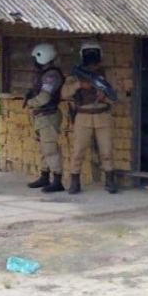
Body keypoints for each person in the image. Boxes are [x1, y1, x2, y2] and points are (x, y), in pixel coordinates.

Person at [62, 41, 117, 195]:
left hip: (102, 115)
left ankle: (110, 180)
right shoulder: (75, 75)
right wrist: (79, 85)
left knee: (106, 151)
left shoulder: (106, 74)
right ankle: (75, 182)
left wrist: (103, 97)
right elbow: (64, 93)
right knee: (78, 151)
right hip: (83, 116)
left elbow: (115, 96)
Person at [24, 42, 65, 193]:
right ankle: (44, 176)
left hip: (48, 115)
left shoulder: (51, 75)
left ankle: (57, 180)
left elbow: (45, 97)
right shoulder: (46, 74)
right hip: (42, 116)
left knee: (50, 149)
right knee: (44, 148)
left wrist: (30, 103)